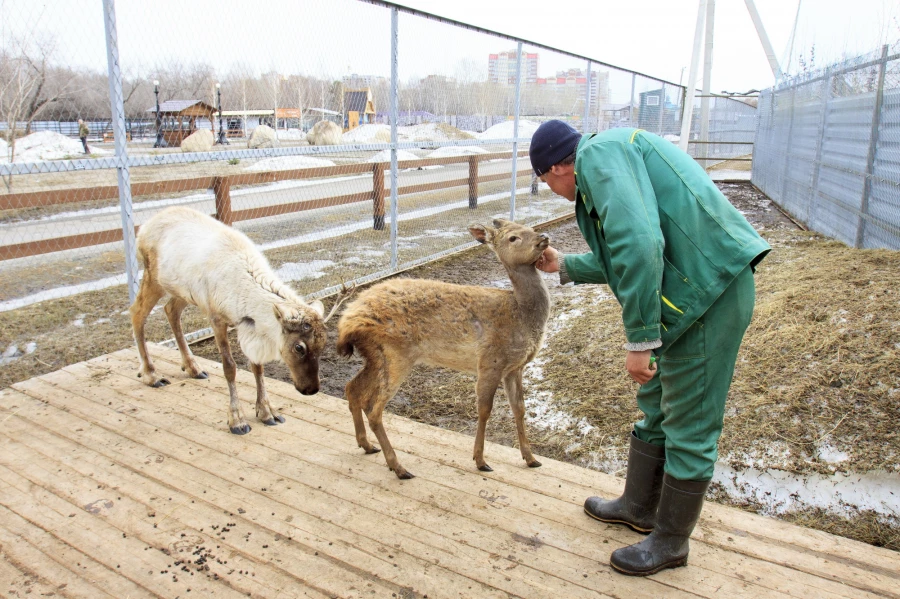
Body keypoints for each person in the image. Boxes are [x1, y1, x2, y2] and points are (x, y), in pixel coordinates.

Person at [530, 120, 769, 576]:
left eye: (544, 181)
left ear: (557, 166)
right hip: (692, 288)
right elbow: (628, 247)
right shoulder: (612, 152)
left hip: (709, 295)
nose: (552, 189)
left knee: (691, 420)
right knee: (657, 403)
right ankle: (639, 507)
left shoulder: (597, 156)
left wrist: (640, 339)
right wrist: (565, 265)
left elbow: (640, 243)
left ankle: (671, 543)